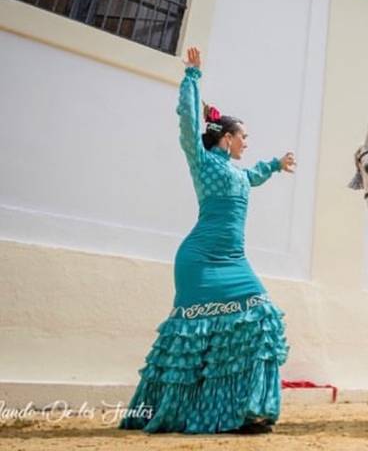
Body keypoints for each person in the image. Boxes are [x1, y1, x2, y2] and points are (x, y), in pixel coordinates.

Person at [120, 47, 295, 434]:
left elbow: (254, 175)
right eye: (243, 136)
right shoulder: (202, 161)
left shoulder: (236, 173)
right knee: (192, 339)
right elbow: (187, 120)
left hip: (233, 259)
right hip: (198, 260)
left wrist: (276, 166)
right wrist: (193, 77)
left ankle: (246, 410)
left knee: (261, 318)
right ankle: (188, 413)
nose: (247, 142)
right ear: (228, 137)